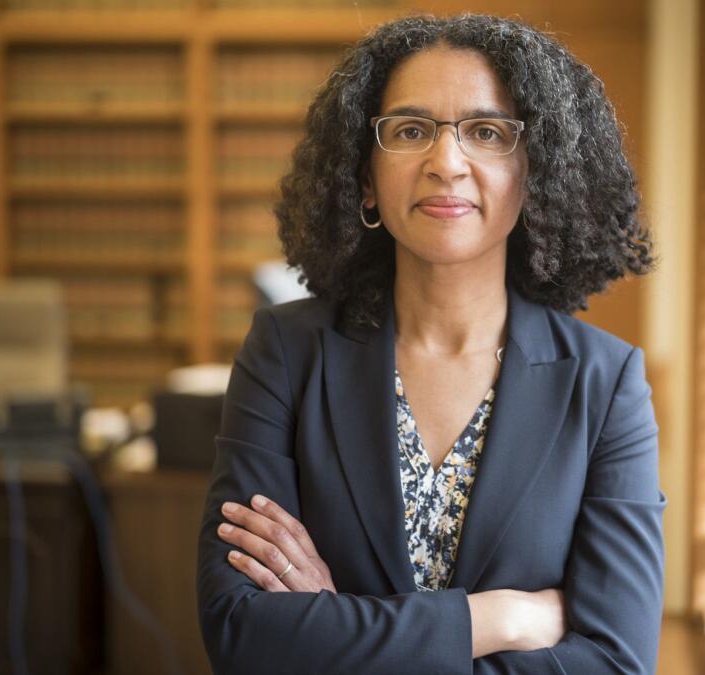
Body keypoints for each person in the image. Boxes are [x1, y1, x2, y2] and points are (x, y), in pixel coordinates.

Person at [196, 13, 664, 674]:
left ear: (536, 173)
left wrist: (335, 629)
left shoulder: (606, 385)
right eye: (410, 130)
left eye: (487, 132)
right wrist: (499, 617)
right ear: (364, 175)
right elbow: (241, 632)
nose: (446, 162)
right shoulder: (285, 351)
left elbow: (615, 663)